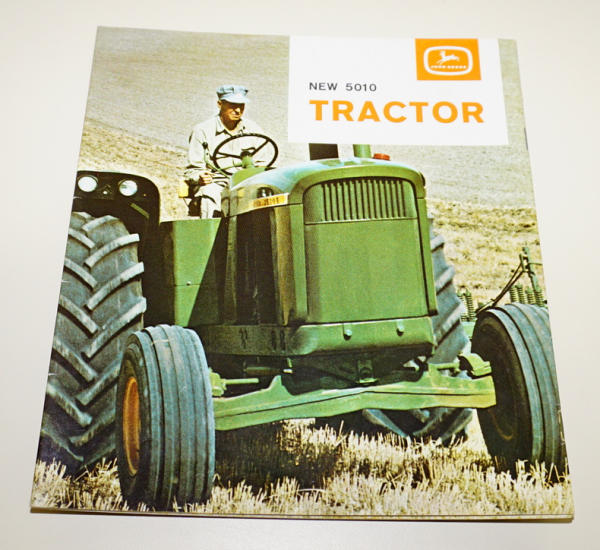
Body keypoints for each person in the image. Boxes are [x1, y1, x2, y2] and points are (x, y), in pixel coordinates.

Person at [183, 85, 269, 218]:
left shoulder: (254, 130)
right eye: (233, 105)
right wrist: (200, 177)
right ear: (220, 104)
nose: (238, 110)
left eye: (241, 105)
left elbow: (263, 164)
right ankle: (211, 230)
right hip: (217, 183)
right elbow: (192, 170)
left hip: (246, 182)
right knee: (209, 193)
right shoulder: (202, 131)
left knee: (269, 194)